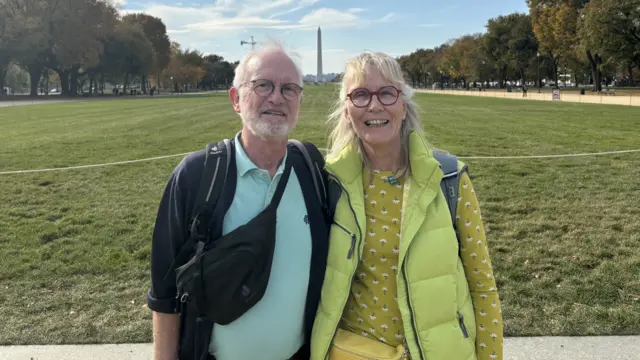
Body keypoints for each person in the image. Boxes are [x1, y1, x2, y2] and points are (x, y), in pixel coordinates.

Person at [310, 51, 504, 360]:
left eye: (387, 93)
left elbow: (483, 287)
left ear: (403, 104)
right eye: (360, 95)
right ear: (346, 110)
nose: (374, 105)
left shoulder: (449, 180)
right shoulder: (329, 183)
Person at [147, 41, 329, 360]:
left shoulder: (312, 170)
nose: (276, 97)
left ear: (300, 100)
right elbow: (164, 291)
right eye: (263, 85)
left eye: (289, 88)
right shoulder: (196, 175)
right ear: (236, 99)